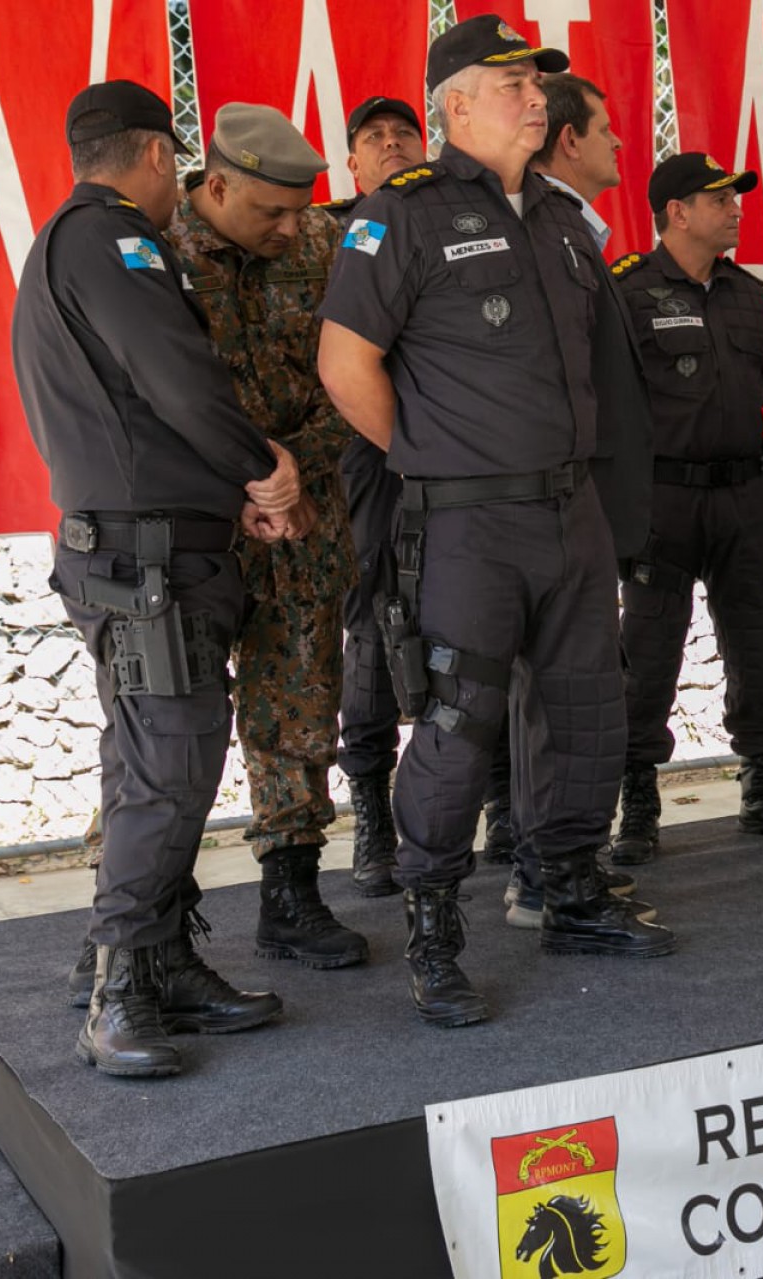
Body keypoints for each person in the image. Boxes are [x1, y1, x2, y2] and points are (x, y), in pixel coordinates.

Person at [318, 15, 671, 1029]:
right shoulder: (402, 214)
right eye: (511, 85)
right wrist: (432, 452)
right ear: (455, 107)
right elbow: (346, 367)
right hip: (469, 524)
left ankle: (569, 890)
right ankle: (433, 925)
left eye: (538, 85)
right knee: (460, 718)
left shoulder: (562, 222)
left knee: (588, 708)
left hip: (571, 511)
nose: (535, 99)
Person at [15, 81, 301, 1076]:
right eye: (173, 167)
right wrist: (261, 465)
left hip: (152, 548)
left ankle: (162, 959)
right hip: (145, 563)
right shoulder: (115, 241)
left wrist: (227, 494)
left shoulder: (76, 242)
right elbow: (179, 381)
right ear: (150, 157)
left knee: (151, 761)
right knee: (171, 760)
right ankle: (120, 985)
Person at [160, 104, 368, 971]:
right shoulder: (151, 252)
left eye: (300, 209)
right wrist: (244, 481)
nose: (294, 228)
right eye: (272, 212)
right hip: (196, 521)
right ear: (215, 185)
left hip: (308, 513)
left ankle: (292, 891)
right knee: (171, 720)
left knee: (300, 699)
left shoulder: (323, 245)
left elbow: (360, 371)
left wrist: (294, 466)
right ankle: (148, 916)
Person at [605, 151, 763, 865]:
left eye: (735, 197)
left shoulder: (745, 292)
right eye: (719, 198)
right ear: (677, 212)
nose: (734, 208)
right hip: (663, 499)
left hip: (740, 494)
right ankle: (638, 801)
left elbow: (759, 385)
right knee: (648, 653)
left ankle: (762, 787)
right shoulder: (629, 292)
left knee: (759, 639)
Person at [491, 70, 655, 929]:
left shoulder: (571, 229)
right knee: (555, 699)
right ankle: (544, 872)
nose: (622, 143)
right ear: (569, 142)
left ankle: (554, 868)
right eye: (606, 128)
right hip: (551, 502)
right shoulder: (536, 229)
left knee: (572, 698)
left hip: (588, 502)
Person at [324, 95, 426, 898]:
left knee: (474, 616)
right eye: (374, 140)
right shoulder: (325, 236)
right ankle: (371, 814)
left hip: (461, 457)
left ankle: (486, 799)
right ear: (351, 164)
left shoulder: (454, 218)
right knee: (372, 623)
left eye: (404, 135)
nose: (391, 146)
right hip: (365, 460)